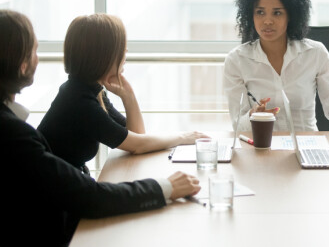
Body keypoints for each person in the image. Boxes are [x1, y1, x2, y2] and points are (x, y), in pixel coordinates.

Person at [0, 10, 201, 247]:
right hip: (51, 242)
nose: (38, 59)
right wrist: (166, 186)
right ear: (21, 63)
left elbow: (134, 136)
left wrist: (128, 97)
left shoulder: (91, 92)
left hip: (63, 214)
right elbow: (94, 193)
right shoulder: (20, 129)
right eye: (34, 50)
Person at [38, 14, 206, 173]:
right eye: (121, 49)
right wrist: (183, 137)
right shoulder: (80, 101)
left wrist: (129, 96)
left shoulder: (88, 90)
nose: (125, 53)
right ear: (102, 56)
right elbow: (138, 144)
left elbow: (137, 136)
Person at [223, 0, 329, 132]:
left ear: (291, 16)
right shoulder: (237, 60)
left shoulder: (315, 53)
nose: (267, 21)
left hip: (307, 145)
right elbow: (238, 126)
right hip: (262, 146)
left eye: (277, 13)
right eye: (260, 12)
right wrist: (252, 116)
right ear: (250, 15)